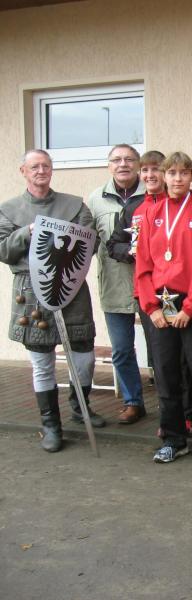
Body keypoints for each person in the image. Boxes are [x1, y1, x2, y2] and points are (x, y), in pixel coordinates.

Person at [0, 150, 100, 451]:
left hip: (70, 287)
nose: (41, 171)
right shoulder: (8, 210)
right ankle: (50, 424)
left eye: (46, 166)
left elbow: (90, 241)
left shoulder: (74, 205)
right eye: (34, 167)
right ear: (23, 171)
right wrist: (27, 232)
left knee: (84, 357)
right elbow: (3, 251)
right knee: (42, 363)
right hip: (31, 292)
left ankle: (79, 407)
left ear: (52, 170)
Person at [135, 151, 192, 464]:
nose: (177, 179)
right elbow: (143, 264)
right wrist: (151, 308)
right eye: (171, 173)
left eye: (183, 173)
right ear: (163, 176)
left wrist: (191, 307)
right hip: (161, 305)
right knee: (166, 375)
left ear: (191, 176)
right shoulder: (152, 213)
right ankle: (174, 440)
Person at [88, 144, 148, 427]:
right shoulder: (95, 200)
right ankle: (133, 401)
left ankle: (176, 405)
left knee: (162, 349)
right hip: (113, 285)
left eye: (129, 159)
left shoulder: (152, 192)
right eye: (116, 160)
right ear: (108, 165)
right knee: (122, 349)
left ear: (138, 164)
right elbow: (87, 243)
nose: (123, 164)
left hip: (151, 284)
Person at [106, 149, 166, 424]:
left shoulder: (177, 203)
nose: (151, 175)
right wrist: (132, 251)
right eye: (146, 170)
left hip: (173, 290)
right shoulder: (134, 208)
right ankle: (157, 410)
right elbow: (113, 244)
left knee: (171, 357)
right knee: (152, 353)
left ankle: (185, 413)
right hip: (144, 289)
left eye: (157, 169)